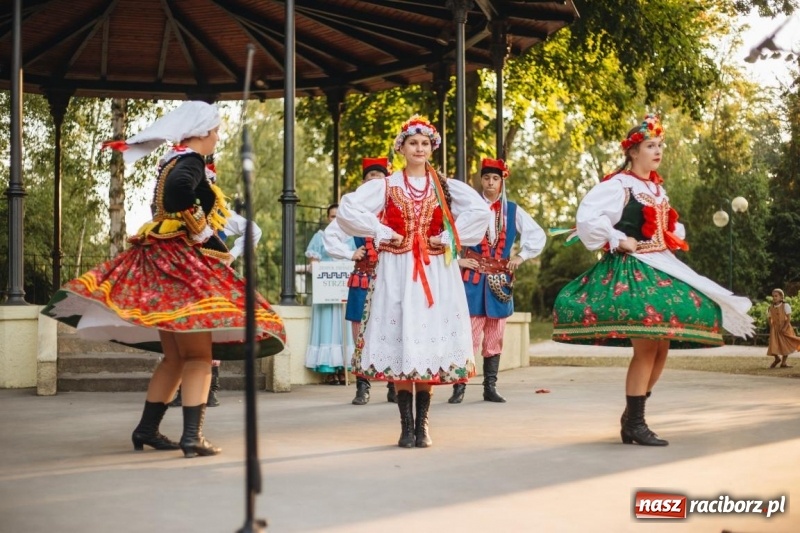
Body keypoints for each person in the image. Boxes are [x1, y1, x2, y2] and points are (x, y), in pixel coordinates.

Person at [41, 101, 286, 458]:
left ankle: (146, 429)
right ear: (202, 132)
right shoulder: (190, 162)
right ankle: (192, 437)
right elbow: (179, 195)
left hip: (162, 260)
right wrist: (203, 234)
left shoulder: (171, 160)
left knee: (174, 357)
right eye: (216, 130)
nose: (218, 136)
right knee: (199, 356)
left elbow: (172, 198)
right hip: (183, 265)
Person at [552, 114, 754, 447]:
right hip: (634, 267)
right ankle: (635, 422)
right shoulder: (619, 185)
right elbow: (587, 218)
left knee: (661, 348)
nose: (657, 151)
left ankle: (633, 417)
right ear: (633, 152)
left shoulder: (656, 189)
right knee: (647, 347)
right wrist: (617, 239)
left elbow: (669, 227)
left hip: (661, 263)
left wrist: (671, 234)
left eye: (659, 145)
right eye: (650, 146)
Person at [336, 115, 491, 448]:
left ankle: (423, 425)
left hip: (434, 272)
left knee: (428, 341)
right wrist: (378, 230)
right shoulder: (387, 185)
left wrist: (450, 237)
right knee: (403, 339)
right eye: (412, 143)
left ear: (431, 148)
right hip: (397, 269)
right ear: (401, 148)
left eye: (424, 143)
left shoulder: (445, 186)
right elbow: (349, 209)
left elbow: (481, 212)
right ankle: (406, 426)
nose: (419, 148)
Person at [169, 156, 264, 408]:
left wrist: (231, 255)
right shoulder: (177, 213)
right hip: (185, 277)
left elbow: (254, 230)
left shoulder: (220, 213)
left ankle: (210, 389)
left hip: (211, 278)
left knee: (208, 329)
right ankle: (183, 390)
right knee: (184, 329)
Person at [449, 158, 547, 404]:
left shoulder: (512, 210)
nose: (490, 183)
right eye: (486, 178)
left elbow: (536, 234)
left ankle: (489, 387)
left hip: (499, 282)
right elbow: (446, 233)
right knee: (468, 335)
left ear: (502, 181)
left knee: (495, 335)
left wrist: (522, 256)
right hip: (471, 278)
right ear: (480, 180)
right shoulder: (467, 208)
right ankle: (459, 387)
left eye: (495, 179)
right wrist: (455, 260)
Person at [323, 157, 397, 405]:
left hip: (391, 280)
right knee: (360, 335)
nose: (375, 183)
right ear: (363, 184)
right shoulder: (352, 214)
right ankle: (362, 387)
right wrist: (348, 253)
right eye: (370, 179)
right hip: (363, 279)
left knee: (392, 331)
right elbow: (331, 235)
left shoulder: (395, 211)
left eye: (380, 179)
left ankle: (393, 385)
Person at [304, 204, 356, 384]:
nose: (335, 219)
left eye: (338, 216)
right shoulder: (320, 237)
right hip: (326, 292)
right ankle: (329, 369)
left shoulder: (351, 238)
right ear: (328, 218)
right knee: (327, 329)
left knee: (346, 330)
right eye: (332, 216)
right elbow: (313, 263)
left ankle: (344, 369)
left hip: (345, 290)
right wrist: (321, 270)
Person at [766, 288, 799, 368]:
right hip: (775, 329)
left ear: (781, 297)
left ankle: (783, 362)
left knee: (786, 344)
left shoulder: (785, 306)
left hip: (785, 327)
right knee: (773, 345)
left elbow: (788, 318)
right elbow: (769, 318)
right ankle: (777, 358)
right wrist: (771, 326)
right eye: (773, 296)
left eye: (776, 296)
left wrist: (785, 327)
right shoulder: (771, 307)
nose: (774, 297)